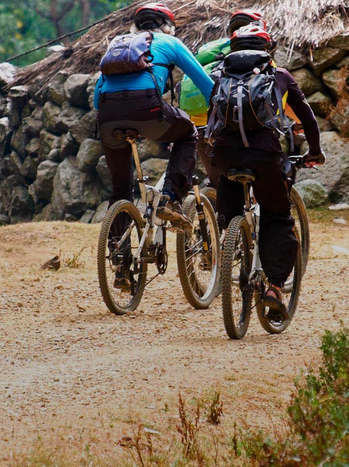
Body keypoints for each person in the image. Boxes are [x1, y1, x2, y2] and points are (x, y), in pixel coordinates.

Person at [207, 26, 325, 317]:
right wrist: (315, 151)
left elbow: (213, 119)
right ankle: (274, 287)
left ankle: (231, 235)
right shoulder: (279, 75)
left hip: (224, 153)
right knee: (277, 216)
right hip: (263, 153)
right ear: (267, 49)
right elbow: (306, 116)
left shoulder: (219, 76)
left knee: (228, 187)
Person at [94, 2, 215, 233]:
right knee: (188, 131)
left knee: (121, 189)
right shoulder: (171, 42)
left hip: (108, 118)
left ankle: (118, 256)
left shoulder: (118, 44)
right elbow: (207, 86)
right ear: (168, 26)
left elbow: (96, 99)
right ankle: (170, 196)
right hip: (147, 110)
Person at [181, 9, 268, 182]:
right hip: (230, 126)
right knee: (260, 178)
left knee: (219, 184)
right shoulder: (260, 56)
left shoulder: (211, 50)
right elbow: (272, 93)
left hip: (199, 123)